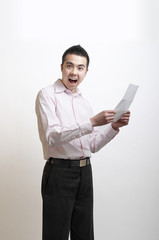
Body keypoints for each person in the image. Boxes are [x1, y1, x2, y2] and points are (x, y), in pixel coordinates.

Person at [35, 45, 130, 240]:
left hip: (85, 173)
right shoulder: (47, 95)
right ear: (61, 67)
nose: (74, 72)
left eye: (80, 68)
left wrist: (113, 127)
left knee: (84, 235)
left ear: (86, 71)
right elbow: (52, 136)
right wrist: (93, 122)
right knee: (56, 235)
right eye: (70, 66)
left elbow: (91, 145)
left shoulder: (84, 102)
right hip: (59, 174)